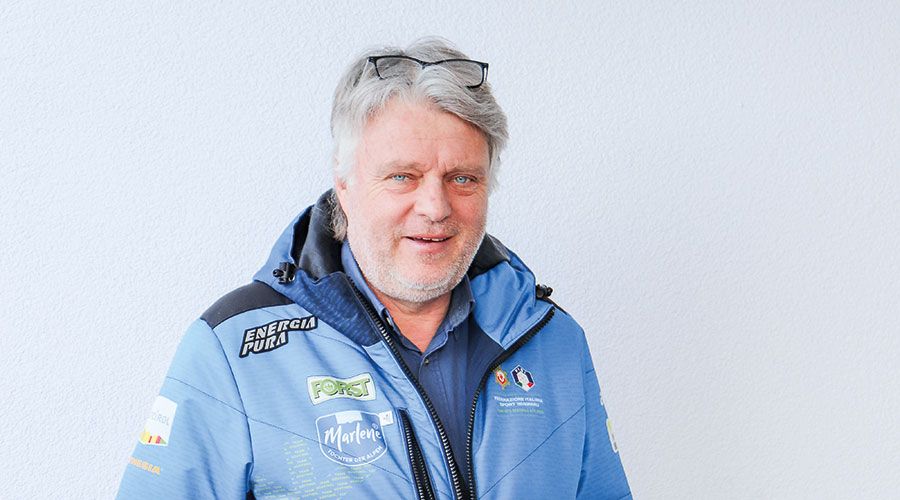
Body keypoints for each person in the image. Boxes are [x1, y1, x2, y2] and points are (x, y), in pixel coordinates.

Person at [117, 37, 631, 500]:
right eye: (403, 176)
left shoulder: (554, 342)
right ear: (344, 184)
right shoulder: (232, 352)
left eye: (463, 179)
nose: (435, 207)